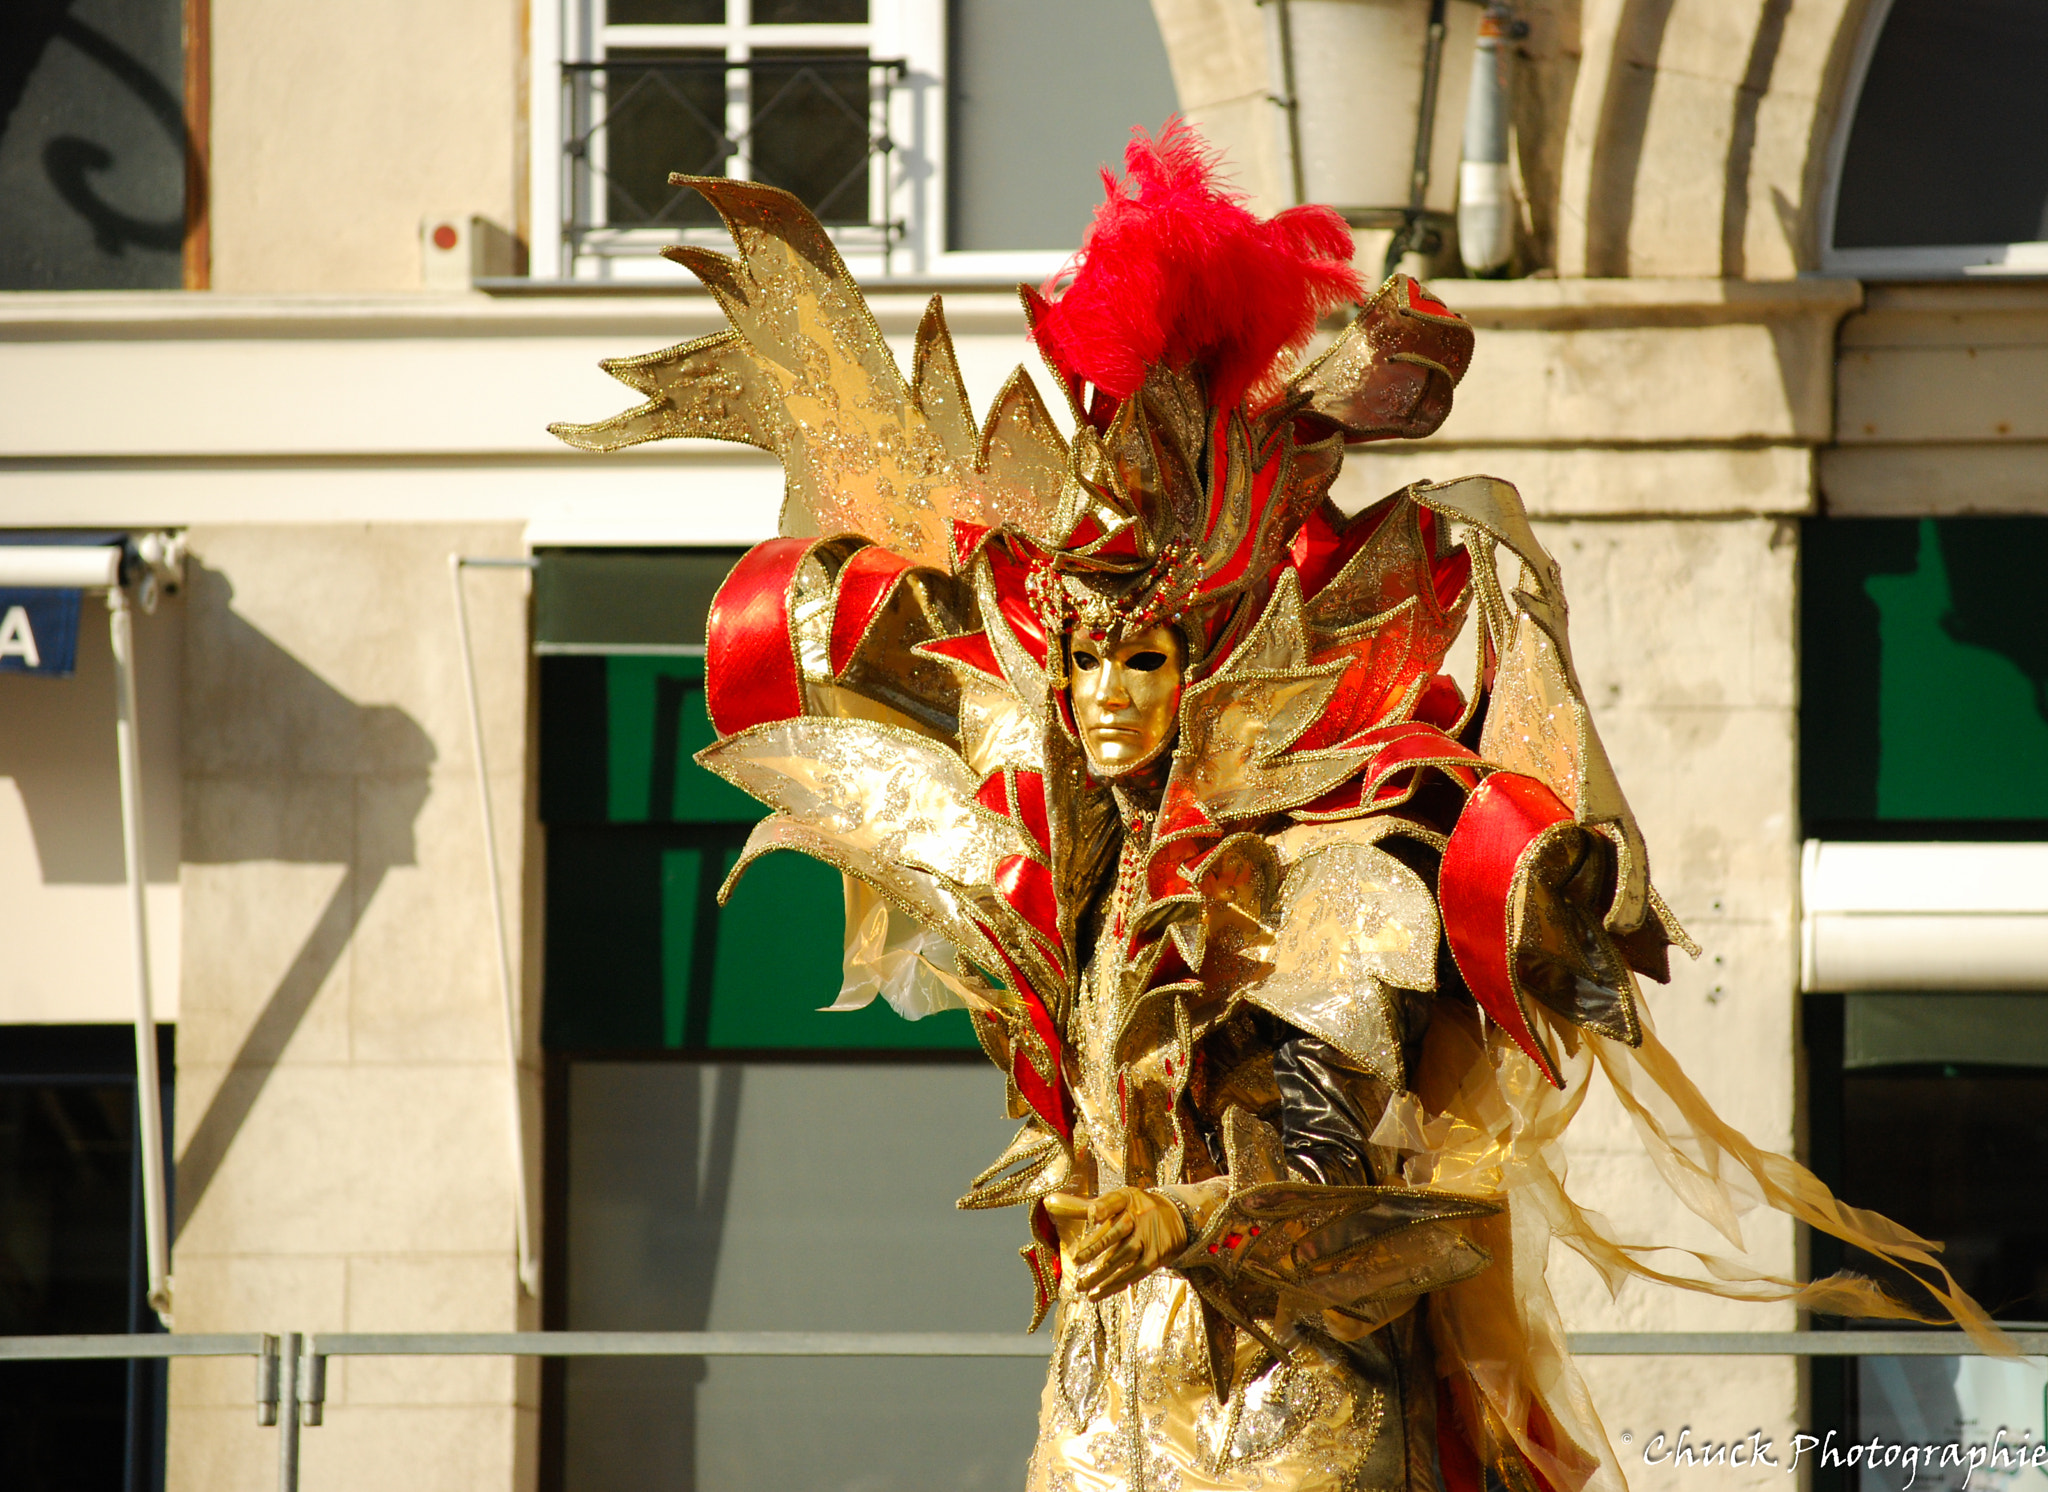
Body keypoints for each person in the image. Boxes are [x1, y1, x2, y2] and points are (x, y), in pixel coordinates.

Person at [553, 122, 1998, 1492]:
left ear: (1209, 666)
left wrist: (1178, 1215)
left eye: (1144, 657)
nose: (1110, 694)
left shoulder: (1330, 872)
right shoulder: (1065, 888)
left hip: (1286, 1407)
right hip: (1107, 1391)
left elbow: (1349, 1176)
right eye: (1088, 659)